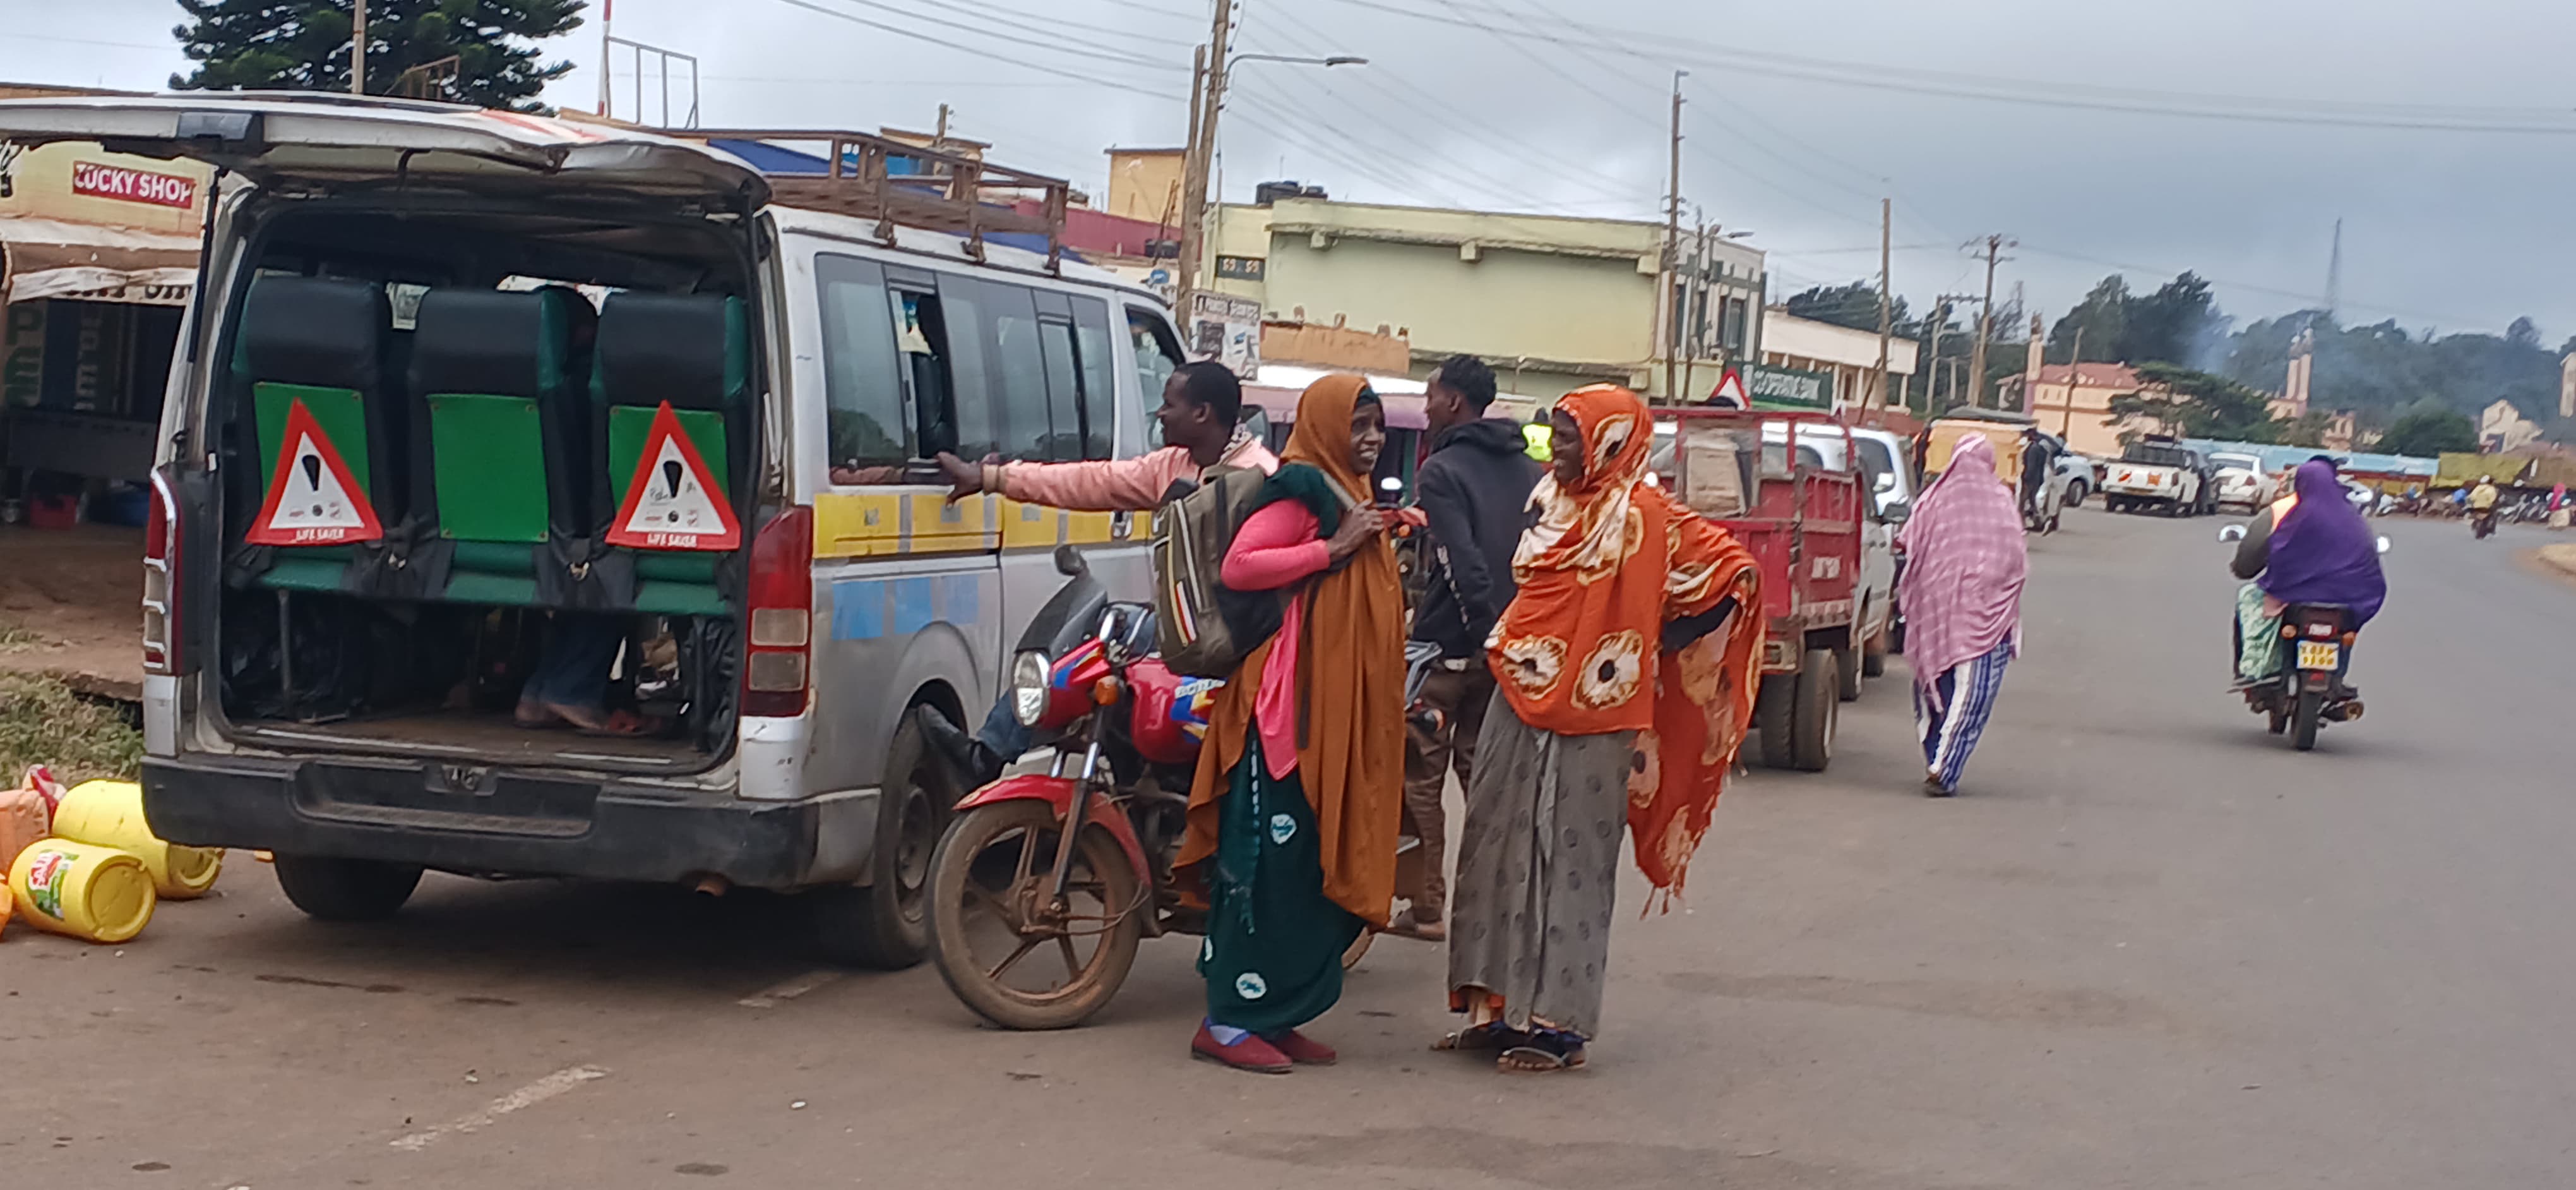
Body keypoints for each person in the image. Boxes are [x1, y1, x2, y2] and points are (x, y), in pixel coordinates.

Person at [1440, 385, 1763, 1073]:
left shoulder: (1646, 513)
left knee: (1570, 863)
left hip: (1599, 713)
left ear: (1609, 444)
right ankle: (1494, 1010)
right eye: (1556, 435)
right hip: (1517, 689)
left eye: (1568, 437)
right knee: (1494, 846)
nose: (1555, 449)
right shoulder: (1551, 501)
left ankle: (1558, 1028)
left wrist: (1652, 643)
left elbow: (1734, 573)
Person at [1177, 373, 1406, 1074]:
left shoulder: (1349, 492)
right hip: (1285, 720)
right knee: (1267, 869)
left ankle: (1273, 1015)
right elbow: (1242, 566)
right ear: (1330, 428)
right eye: (1359, 426)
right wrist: (1333, 548)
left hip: (1330, 716)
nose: (1371, 439)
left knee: (1307, 872)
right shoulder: (1303, 488)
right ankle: (1228, 1021)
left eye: (1378, 426)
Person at [908, 361, 1279, 786]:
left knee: (1123, 633)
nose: (1160, 414)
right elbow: (1092, 481)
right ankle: (989, 755)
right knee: (1101, 630)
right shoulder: (1173, 466)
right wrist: (991, 478)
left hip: (1237, 636)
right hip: (1183, 625)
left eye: (1169, 404)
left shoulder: (1261, 476)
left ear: (1201, 413)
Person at [1393, 356, 1541, 943]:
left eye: (1431, 396)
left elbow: (1459, 561)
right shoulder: (1529, 470)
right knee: (1486, 782)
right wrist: (1506, 640)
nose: (1425, 407)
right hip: (1509, 649)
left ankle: (1427, 907)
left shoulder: (1442, 469)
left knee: (1419, 777)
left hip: (1446, 652)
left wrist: (1482, 630)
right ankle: (1486, 908)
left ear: (1454, 402)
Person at [1894, 434, 2028, 798]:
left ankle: (1936, 761)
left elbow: (1907, 542)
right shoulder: (2002, 502)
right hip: (1986, 620)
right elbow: (2016, 561)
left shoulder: (1933, 500)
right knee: (1972, 696)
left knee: (1934, 687)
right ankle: (1944, 768)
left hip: (1935, 618)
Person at [2227, 458, 2387, 684]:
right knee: (2346, 628)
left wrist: (2247, 571)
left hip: (2294, 595)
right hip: (2349, 598)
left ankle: (2252, 668)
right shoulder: (2355, 518)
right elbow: (2368, 563)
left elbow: (2269, 555)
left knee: (2248, 597)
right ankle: (2337, 678)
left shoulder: (2290, 514)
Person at [2017, 427, 2053, 523]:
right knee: (2032, 499)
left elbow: (2031, 466)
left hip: (2030, 478)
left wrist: (2026, 477)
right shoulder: (2042, 448)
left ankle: (2023, 519)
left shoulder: (2033, 448)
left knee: (2024, 500)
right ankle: (2035, 518)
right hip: (2037, 478)